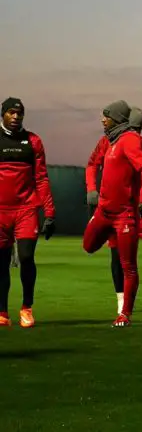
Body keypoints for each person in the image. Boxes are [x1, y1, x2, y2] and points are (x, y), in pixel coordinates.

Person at [82, 100, 142, 327]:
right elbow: (92, 164)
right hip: (105, 211)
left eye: (106, 116)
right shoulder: (108, 141)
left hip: (125, 214)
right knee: (88, 245)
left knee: (127, 265)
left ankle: (125, 313)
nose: (102, 119)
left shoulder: (131, 141)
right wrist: (92, 189)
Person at [0, 97, 55, 328]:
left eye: (19, 114)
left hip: (26, 210)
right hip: (0, 211)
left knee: (25, 257)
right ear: (3, 114)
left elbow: (41, 178)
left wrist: (49, 212)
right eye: (11, 113)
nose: (16, 117)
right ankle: (2, 312)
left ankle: (27, 308)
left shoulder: (33, 141)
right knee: (1, 263)